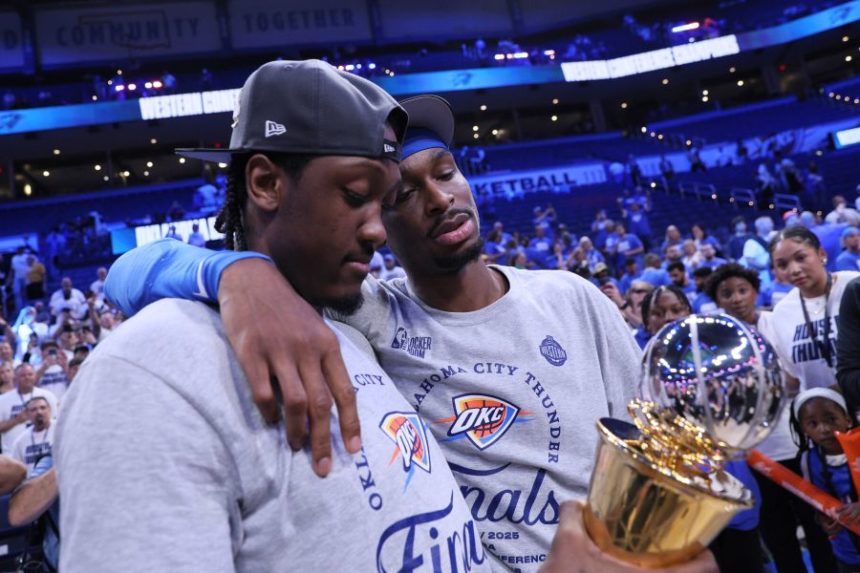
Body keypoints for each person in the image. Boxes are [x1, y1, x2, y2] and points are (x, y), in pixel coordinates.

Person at [100, 93, 665, 570]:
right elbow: (126, 274)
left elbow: (649, 449)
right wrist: (235, 271)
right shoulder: (369, 318)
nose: (440, 199)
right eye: (403, 195)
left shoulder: (572, 298)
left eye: (446, 173)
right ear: (376, 224)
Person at [56, 60, 498, 573]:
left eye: (383, 201)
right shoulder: (151, 370)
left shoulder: (351, 326)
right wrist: (232, 271)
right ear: (265, 182)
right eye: (355, 195)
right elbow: (127, 272)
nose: (378, 231)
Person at [705, 263, 835, 573]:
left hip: (796, 444)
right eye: (727, 294)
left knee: (817, 527)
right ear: (717, 300)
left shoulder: (777, 322)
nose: (736, 298)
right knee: (777, 535)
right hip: (755, 455)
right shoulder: (716, 340)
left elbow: (793, 380)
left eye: (742, 290)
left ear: (754, 291)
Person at [769, 226, 860, 391]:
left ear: (821, 255)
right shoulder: (781, 314)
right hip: (822, 414)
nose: (794, 270)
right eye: (782, 265)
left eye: (801, 258)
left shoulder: (854, 287)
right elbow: (794, 378)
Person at [791, 388, 860, 572]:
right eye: (813, 423)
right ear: (804, 429)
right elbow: (818, 502)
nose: (824, 429)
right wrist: (823, 520)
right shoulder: (808, 461)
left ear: (848, 419)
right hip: (847, 551)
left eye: (831, 419)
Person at [0, 364, 57, 455]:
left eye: (30, 374)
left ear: (35, 376)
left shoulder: (48, 396)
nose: (27, 378)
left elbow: (56, 421)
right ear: (15, 378)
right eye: (23, 375)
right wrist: (16, 420)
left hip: (46, 450)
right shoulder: (2, 400)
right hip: (11, 452)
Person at [10, 397, 53, 472]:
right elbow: (16, 470)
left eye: (43, 408)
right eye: (34, 410)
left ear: (49, 410)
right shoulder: (20, 441)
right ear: (27, 414)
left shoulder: (59, 430)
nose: (39, 412)